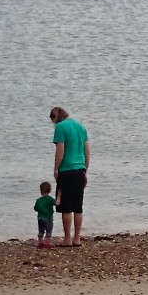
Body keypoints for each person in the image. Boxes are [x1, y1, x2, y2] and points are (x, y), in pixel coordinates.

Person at [49, 106, 89, 247]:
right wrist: (85, 169)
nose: (52, 123)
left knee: (66, 206)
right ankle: (77, 238)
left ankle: (67, 239)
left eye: (52, 119)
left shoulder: (60, 127)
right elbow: (87, 150)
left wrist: (56, 169)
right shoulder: (81, 127)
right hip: (80, 169)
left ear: (56, 117)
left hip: (67, 170)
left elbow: (60, 149)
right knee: (78, 206)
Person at [33, 181, 56, 249]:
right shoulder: (50, 199)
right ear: (50, 190)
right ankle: (47, 242)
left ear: (40, 190)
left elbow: (35, 208)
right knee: (49, 230)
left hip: (40, 218)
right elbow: (56, 203)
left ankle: (40, 242)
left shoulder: (38, 200)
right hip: (48, 217)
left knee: (41, 230)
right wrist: (60, 197)